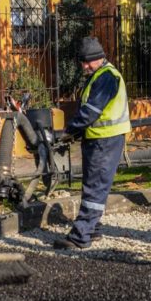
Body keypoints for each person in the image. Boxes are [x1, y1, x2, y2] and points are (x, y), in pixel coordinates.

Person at [53, 37, 131, 249]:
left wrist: (69, 131)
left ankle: (80, 236)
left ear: (100, 58)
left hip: (105, 141)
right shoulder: (99, 75)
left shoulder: (106, 77)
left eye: (88, 62)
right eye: (83, 62)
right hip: (100, 139)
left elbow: (91, 112)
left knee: (95, 186)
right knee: (94, 184)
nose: (85, 66)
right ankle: (93, 228)